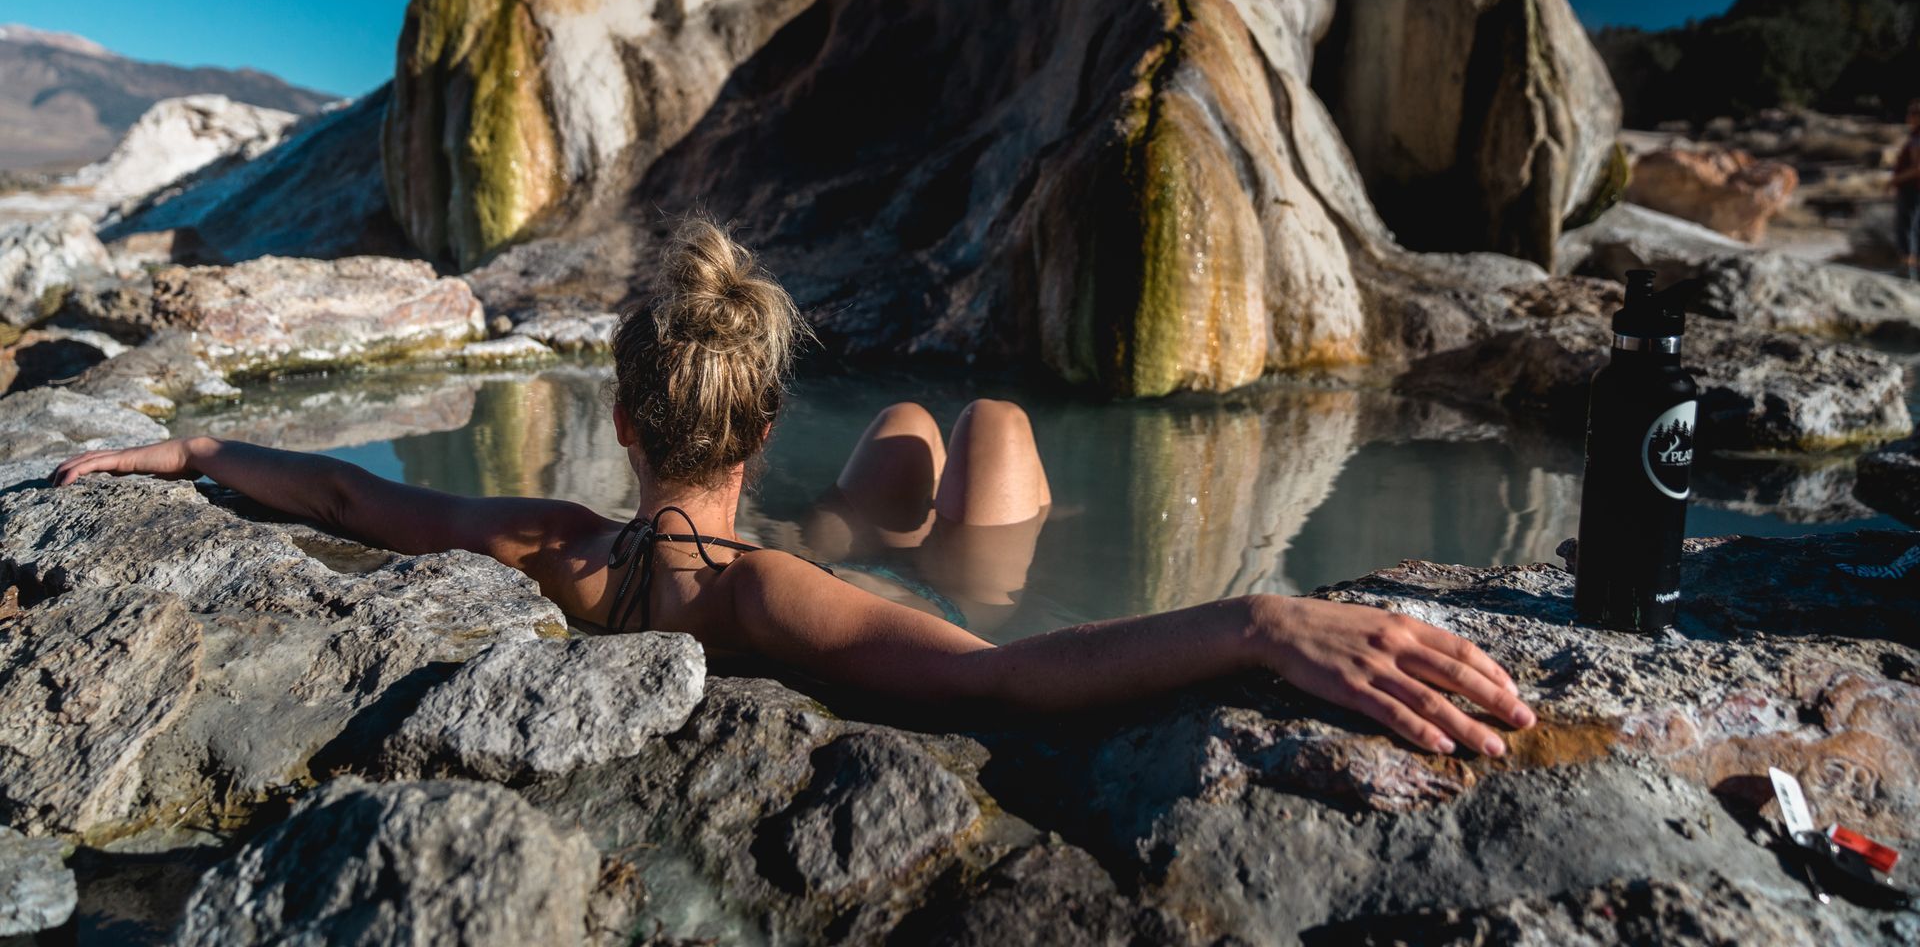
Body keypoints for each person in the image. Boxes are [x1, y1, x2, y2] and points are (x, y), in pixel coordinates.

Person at [53, 218, 1535, 757]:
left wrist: (186, 451)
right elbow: (1014, 680)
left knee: (911, 423)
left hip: (762, 532)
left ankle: (939, 485)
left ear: (626, 421)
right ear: (758, 422)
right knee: (995, 424)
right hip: (922, 586)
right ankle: (1030, 513)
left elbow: (349, 499)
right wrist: (1259, 619)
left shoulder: (557, 545)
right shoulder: (772, 595)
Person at [1892, 97, 1920, 279]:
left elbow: (1918, 168)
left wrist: (1894, 180)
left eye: (1911, 113)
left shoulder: (1917, 139)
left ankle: (1908, 273)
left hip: (1912, 189)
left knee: (1907, 230)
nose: (1907, 117)